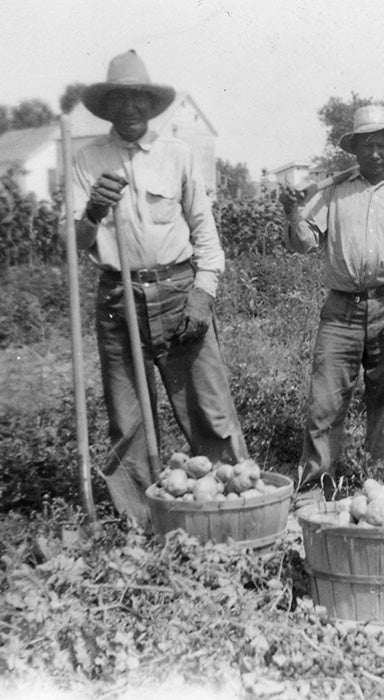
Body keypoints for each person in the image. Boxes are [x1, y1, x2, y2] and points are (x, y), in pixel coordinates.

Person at [71, 50, 248, 525]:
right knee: (128, 421)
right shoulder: (86, 160)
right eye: (120, 101)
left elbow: (206, 234)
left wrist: (203, 293)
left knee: (209, 411)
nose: (130, 110)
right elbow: (74, 243)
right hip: (117, 296)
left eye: (139, 100)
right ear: (107, 107)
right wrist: (92, 211)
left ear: (151, 106)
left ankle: (229, 509)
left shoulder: (177, 154)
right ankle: (143, 524)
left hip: (177, 290)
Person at [280, 105, 384, 488]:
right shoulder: (333, 193)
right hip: (342, 309)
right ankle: (316, 485)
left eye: (383, 145)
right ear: (356, 150)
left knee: (382, 404)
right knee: (324, 403)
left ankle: (374, 484)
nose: (376, 153)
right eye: (368, 145)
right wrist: (294, 213)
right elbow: (303, 246)